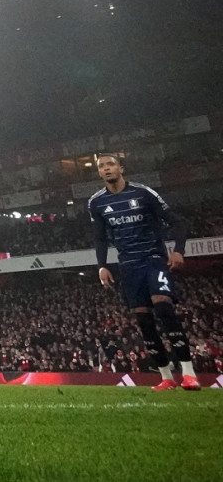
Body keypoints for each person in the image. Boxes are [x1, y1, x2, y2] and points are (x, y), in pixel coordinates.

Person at [89, 152, 200, 390]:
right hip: (128, 266)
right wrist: (102, 265)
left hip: (153, 259)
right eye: (102, 166)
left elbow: (178, 222)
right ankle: (166, 377)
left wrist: (178, 250)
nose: (107, 169)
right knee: (144, 320)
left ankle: (189, 372)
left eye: (111, 164)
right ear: (99, 172)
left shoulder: (143, 193)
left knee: (162, 306)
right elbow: (99, 237)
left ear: (121, 168)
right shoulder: (96, 202)